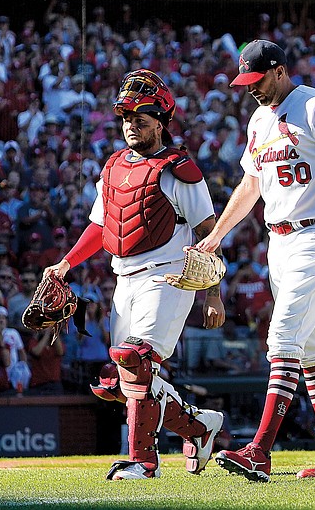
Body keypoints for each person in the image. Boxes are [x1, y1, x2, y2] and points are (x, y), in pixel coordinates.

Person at [196, 40, 315, 482]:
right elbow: (250, 184)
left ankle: (259, 451)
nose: (252, 89)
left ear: (279, 71)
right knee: (313, 352)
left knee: (282, 338)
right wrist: (217, 235)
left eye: (257, 80)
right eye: (246, 82)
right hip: (280, 241)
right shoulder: (259, 119)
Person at [44, 69, 225, 480]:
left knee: (135, 360)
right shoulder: (112, 167)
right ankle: (201, 428)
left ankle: (144, 462)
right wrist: (66, 263)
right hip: (124, 279)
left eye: (140, 120)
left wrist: (213, 293)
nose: (130, 126)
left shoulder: (178, 168)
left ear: (160, 122)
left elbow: (207, 232)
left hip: (170, 275)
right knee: (120, 381)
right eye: (126, 119)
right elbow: (99, 225)